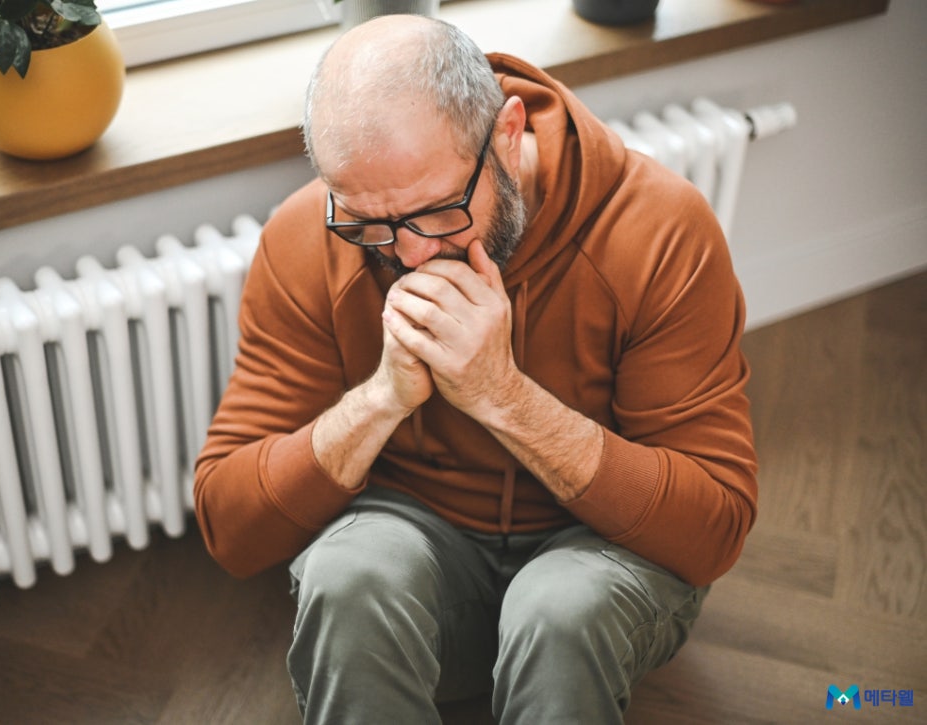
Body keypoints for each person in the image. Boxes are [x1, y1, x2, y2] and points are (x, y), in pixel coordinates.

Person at [194, 14, 757, 724]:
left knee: (559, 612)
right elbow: (232, 529)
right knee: (346, 578)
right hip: (416, 548)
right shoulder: (307, 236)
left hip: (594, 562)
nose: (409, 255)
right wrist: (380, 399)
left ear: (507, 133)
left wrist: (504, 397)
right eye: (369, 222)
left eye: (435, 213)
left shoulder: (663, 228)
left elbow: (712, 530)